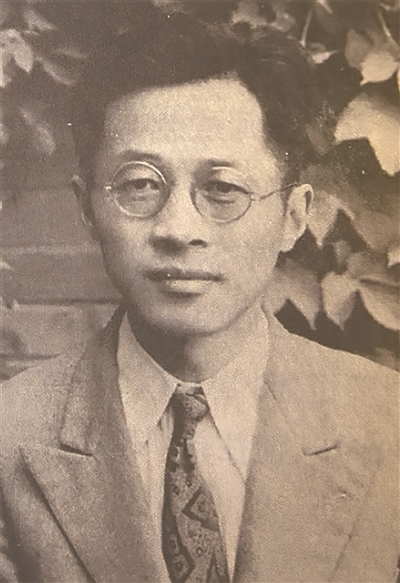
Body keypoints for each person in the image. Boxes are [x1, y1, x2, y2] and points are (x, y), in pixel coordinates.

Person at [1, 6, 398, 583]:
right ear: (87, 208)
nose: (178, 229)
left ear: (294, 215)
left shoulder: (386, 421)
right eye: (141, 184)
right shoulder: (10, 434)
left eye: (222, 188)